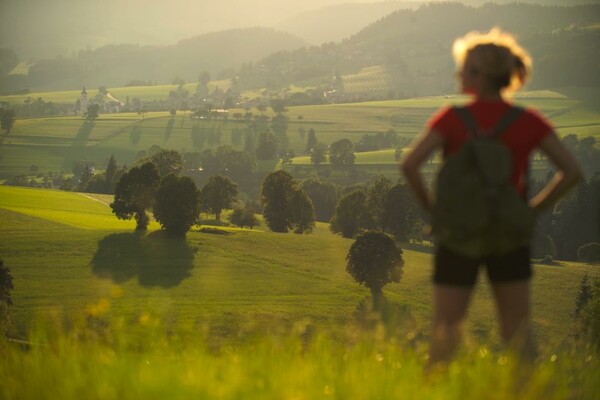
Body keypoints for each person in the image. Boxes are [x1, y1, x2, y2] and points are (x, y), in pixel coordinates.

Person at [401, 28, 582, 366]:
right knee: (518, 336)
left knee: (445, 335)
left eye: (464, 68)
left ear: (477, 75)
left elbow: (410, 165)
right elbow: (571, 171)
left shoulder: (453, 119)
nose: (459, 75)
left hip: (458, 235)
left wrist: (434, 211)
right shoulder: (528, 121)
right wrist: (532, 210)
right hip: (509, 235)